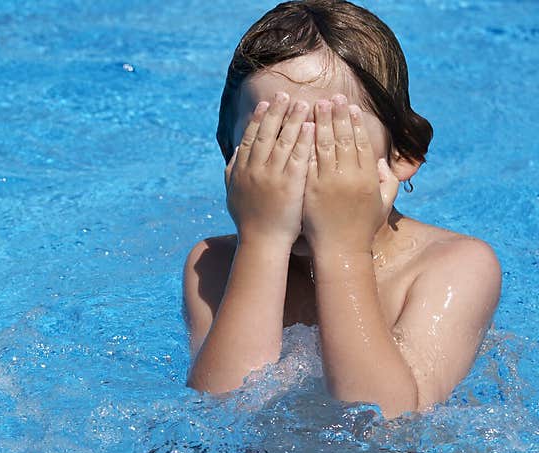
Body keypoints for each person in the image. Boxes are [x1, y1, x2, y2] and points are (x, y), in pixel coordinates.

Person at [182, 0, 501, 418]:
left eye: (332, 148)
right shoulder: (213, 264)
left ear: (403, 153)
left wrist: (342, 248)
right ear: (231, 158)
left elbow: (384, 426)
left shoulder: (453, 267)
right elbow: (219, 420)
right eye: (273, 145)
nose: (298, 176)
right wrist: (263, 242)